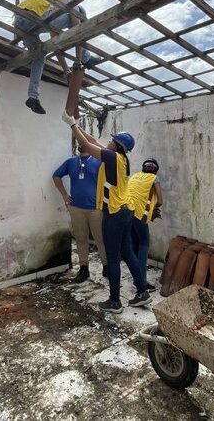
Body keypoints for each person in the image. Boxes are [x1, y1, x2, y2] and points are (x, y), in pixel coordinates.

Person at [61, 111, 151, 313]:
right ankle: (142, 292)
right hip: (125, 211)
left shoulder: (112, 157)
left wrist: (72, 126)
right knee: (127, 252)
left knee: (112, 257)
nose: (108, 142)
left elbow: (85, 145)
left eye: (112, 140)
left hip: (115, 213)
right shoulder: (120, 158)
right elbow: (91, 141)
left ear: (117, 145)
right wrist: (75, 124)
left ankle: (115, 301)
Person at [13, 0, 101, 115]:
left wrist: (66, 71)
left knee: (39, 56)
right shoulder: (74, 6)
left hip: (20, 23)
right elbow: (78, 32)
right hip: (32, 16)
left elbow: (55, 44)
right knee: (77, 27)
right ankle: (87, 58)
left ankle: (33, 97)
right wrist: (78, 60)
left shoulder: (53, 10)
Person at [52, 146, 108, 283]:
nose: (81, 143)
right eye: (79, 141)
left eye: (84, 141)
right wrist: (64, 195)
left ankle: (107, 266)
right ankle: (84, 268)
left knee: (100, 238)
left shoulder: (99, 161)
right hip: (76, 208)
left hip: (96, 208)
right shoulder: (71, 162)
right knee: (80, 238)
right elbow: (56, 175)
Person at [128, 158, 163, 293]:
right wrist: (153, 206)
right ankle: (140, 282)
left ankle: (135, 278)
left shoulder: (135, 176)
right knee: (143, 245)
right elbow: (160, 201)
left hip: (127, 212)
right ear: (155, 170)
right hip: (139, 215)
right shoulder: (154, 178)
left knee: (135, 246)